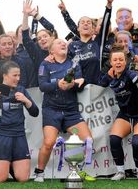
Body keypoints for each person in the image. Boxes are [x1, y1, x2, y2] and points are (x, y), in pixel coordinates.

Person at [35, 38, 93, 182]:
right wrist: (58, 84)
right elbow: (42, 86)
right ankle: (39, 173)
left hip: (71, 111)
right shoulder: (45, 64)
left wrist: (72, 84)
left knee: (88, 141)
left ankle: (77, 171)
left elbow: (79, 82)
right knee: (49, 143)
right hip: (51, 110)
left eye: (64, 43)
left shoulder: (73, 63)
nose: (63, 44)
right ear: (51, 51)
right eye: (58, 43)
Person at [0, 60, 39, 182]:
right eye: (14, 75)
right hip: (2, 135)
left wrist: (26, 100)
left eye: (19, 75)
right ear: (5, 76)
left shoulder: (21, 90)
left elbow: (35, 112)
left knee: (23, 178)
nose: (18, 78)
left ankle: (10, 166)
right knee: (0, 179)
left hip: (19, 135)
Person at [99, 46, 138, 181]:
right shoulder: (111, 75)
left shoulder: (130, 73)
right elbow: (102, 83)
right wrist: (108, 76)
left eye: (121, 60)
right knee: (114, 139)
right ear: (111, 62)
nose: (118, 62)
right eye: (115, 60)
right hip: (125, 114)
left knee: (137, 142)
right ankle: (120, 172)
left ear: (126, 61)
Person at [66, 0, 115, 85]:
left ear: (93, 29)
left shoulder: (98, 42)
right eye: (82, 22)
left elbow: (105, 24)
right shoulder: (72, 46)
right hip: (78, 88)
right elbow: (68, 67)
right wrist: (67, 83)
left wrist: (108, 5)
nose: (86, 24)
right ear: (78, 28)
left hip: (97, 88)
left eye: (89, 23)